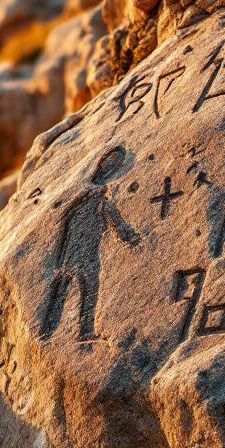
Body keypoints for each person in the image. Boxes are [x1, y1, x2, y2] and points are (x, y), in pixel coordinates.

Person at [37, 146, 140, 342]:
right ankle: (84, 331)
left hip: (67, 257)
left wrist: (60, 260)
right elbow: (118, 225)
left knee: (61, 293)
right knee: (89, 290)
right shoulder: (102, 203)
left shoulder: (79, 205)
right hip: (86, 257)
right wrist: (133, 239)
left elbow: (67, 228)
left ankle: (46, 333)